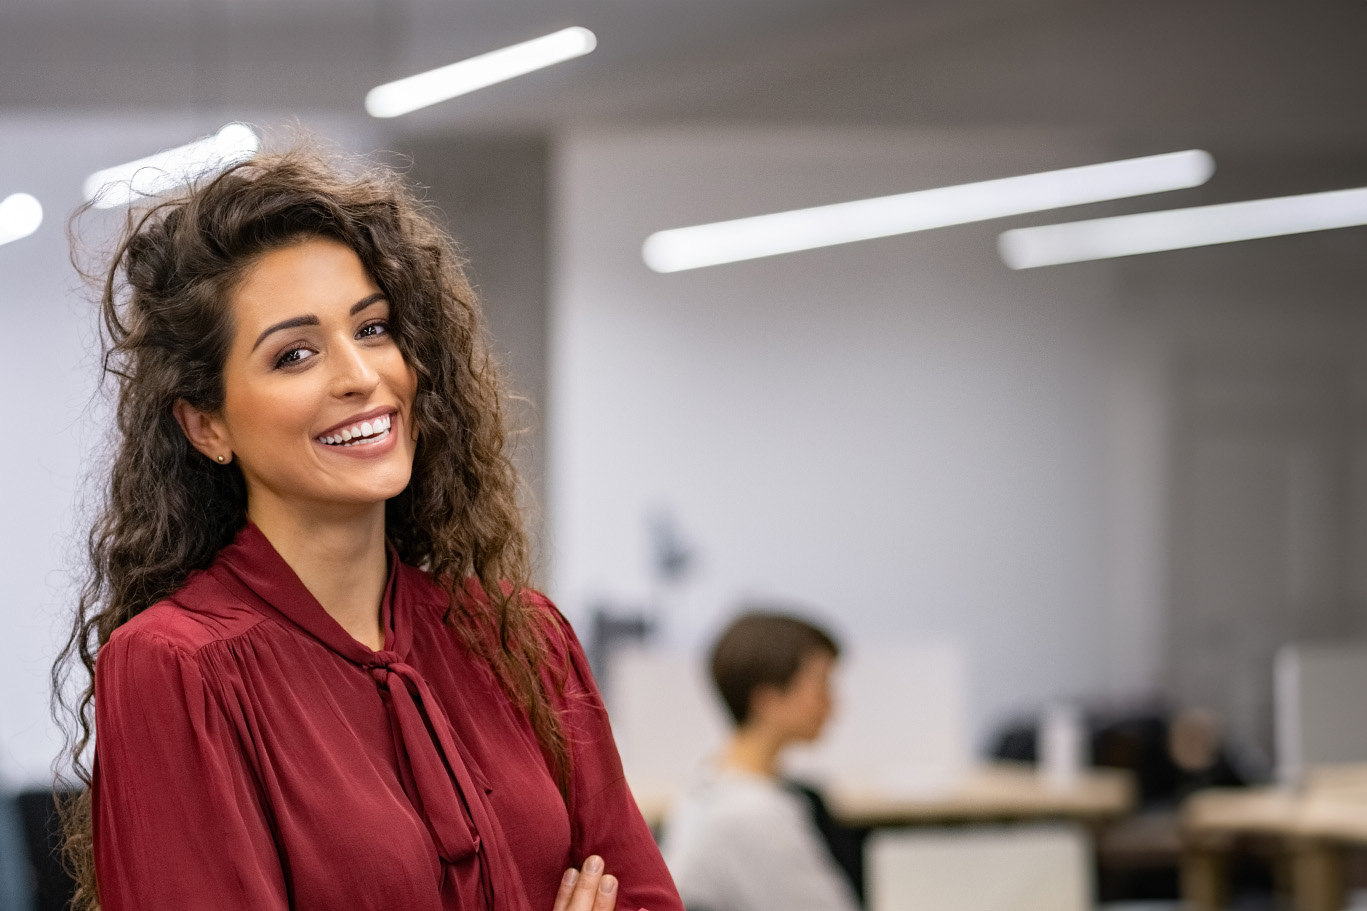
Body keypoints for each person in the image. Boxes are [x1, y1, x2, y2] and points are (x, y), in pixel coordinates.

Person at [52, 143, 684, 911]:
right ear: (206, 423)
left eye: (374, 328)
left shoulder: (522, 638)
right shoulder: (176, 668)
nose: (359, 376)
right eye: (294, 354)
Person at [660, 611, 862, 911]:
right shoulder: (752, 816)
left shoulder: (711, 781)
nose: (832, 703)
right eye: (821, 686)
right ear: (767, 699)